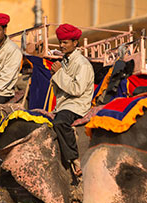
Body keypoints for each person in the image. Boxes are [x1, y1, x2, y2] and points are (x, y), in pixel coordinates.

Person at [50, 24, 94, 177]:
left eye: (65, 42)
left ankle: (75, 159)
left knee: (60, 123)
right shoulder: (65, 61)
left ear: (75, 43)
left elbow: (77, 90)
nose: (61, 46)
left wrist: (59, 74)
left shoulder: (82, 64)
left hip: (77, 104)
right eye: (60, 42)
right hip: (63, 104)